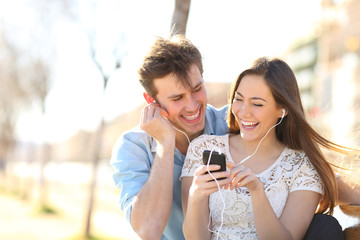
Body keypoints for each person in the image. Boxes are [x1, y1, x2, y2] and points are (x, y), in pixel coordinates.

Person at [110, 35, 359, 240]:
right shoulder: (133, 148)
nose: (193, 105)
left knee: (324, 226)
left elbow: (303, 170)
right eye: (177, 98)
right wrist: (165, 144)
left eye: (197, 89)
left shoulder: (233, 122)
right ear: (151, 101)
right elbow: (149, 230)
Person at [180, 57, 359, 240]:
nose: (244, 111)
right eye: (238, 99)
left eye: (257, 104)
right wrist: (196, 195)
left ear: (282, 110)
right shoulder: (202, 148)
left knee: (326, 225)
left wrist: (257, 191)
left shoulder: (302, 167)